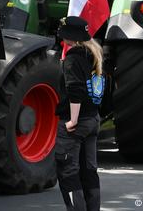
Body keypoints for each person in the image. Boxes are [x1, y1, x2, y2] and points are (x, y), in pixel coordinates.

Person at [54, 16, 102, 211]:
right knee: (89, 170)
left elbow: (75, 90)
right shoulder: (93, 55)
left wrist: (72, 120)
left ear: (68, 36)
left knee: (68, 172)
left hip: (77, 122)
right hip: (92, 120)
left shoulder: (73, 59)